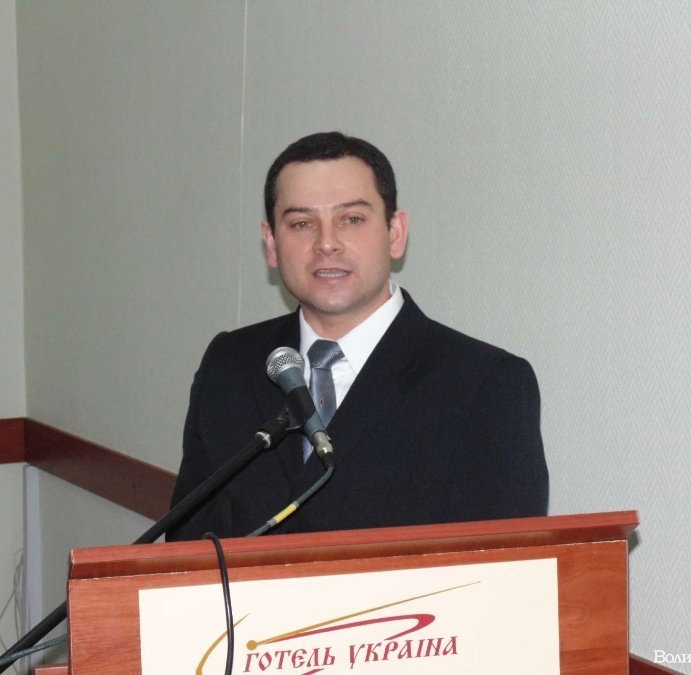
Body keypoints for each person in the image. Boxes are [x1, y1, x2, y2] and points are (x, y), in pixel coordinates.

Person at [167, 132, 548, 541]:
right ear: (272, 244)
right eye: (301, 224)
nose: (326, 243)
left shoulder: (485, 384)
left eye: (351, 219)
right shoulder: (230, 364)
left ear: (395, 233)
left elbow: (508, 566)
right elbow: (187, 546)